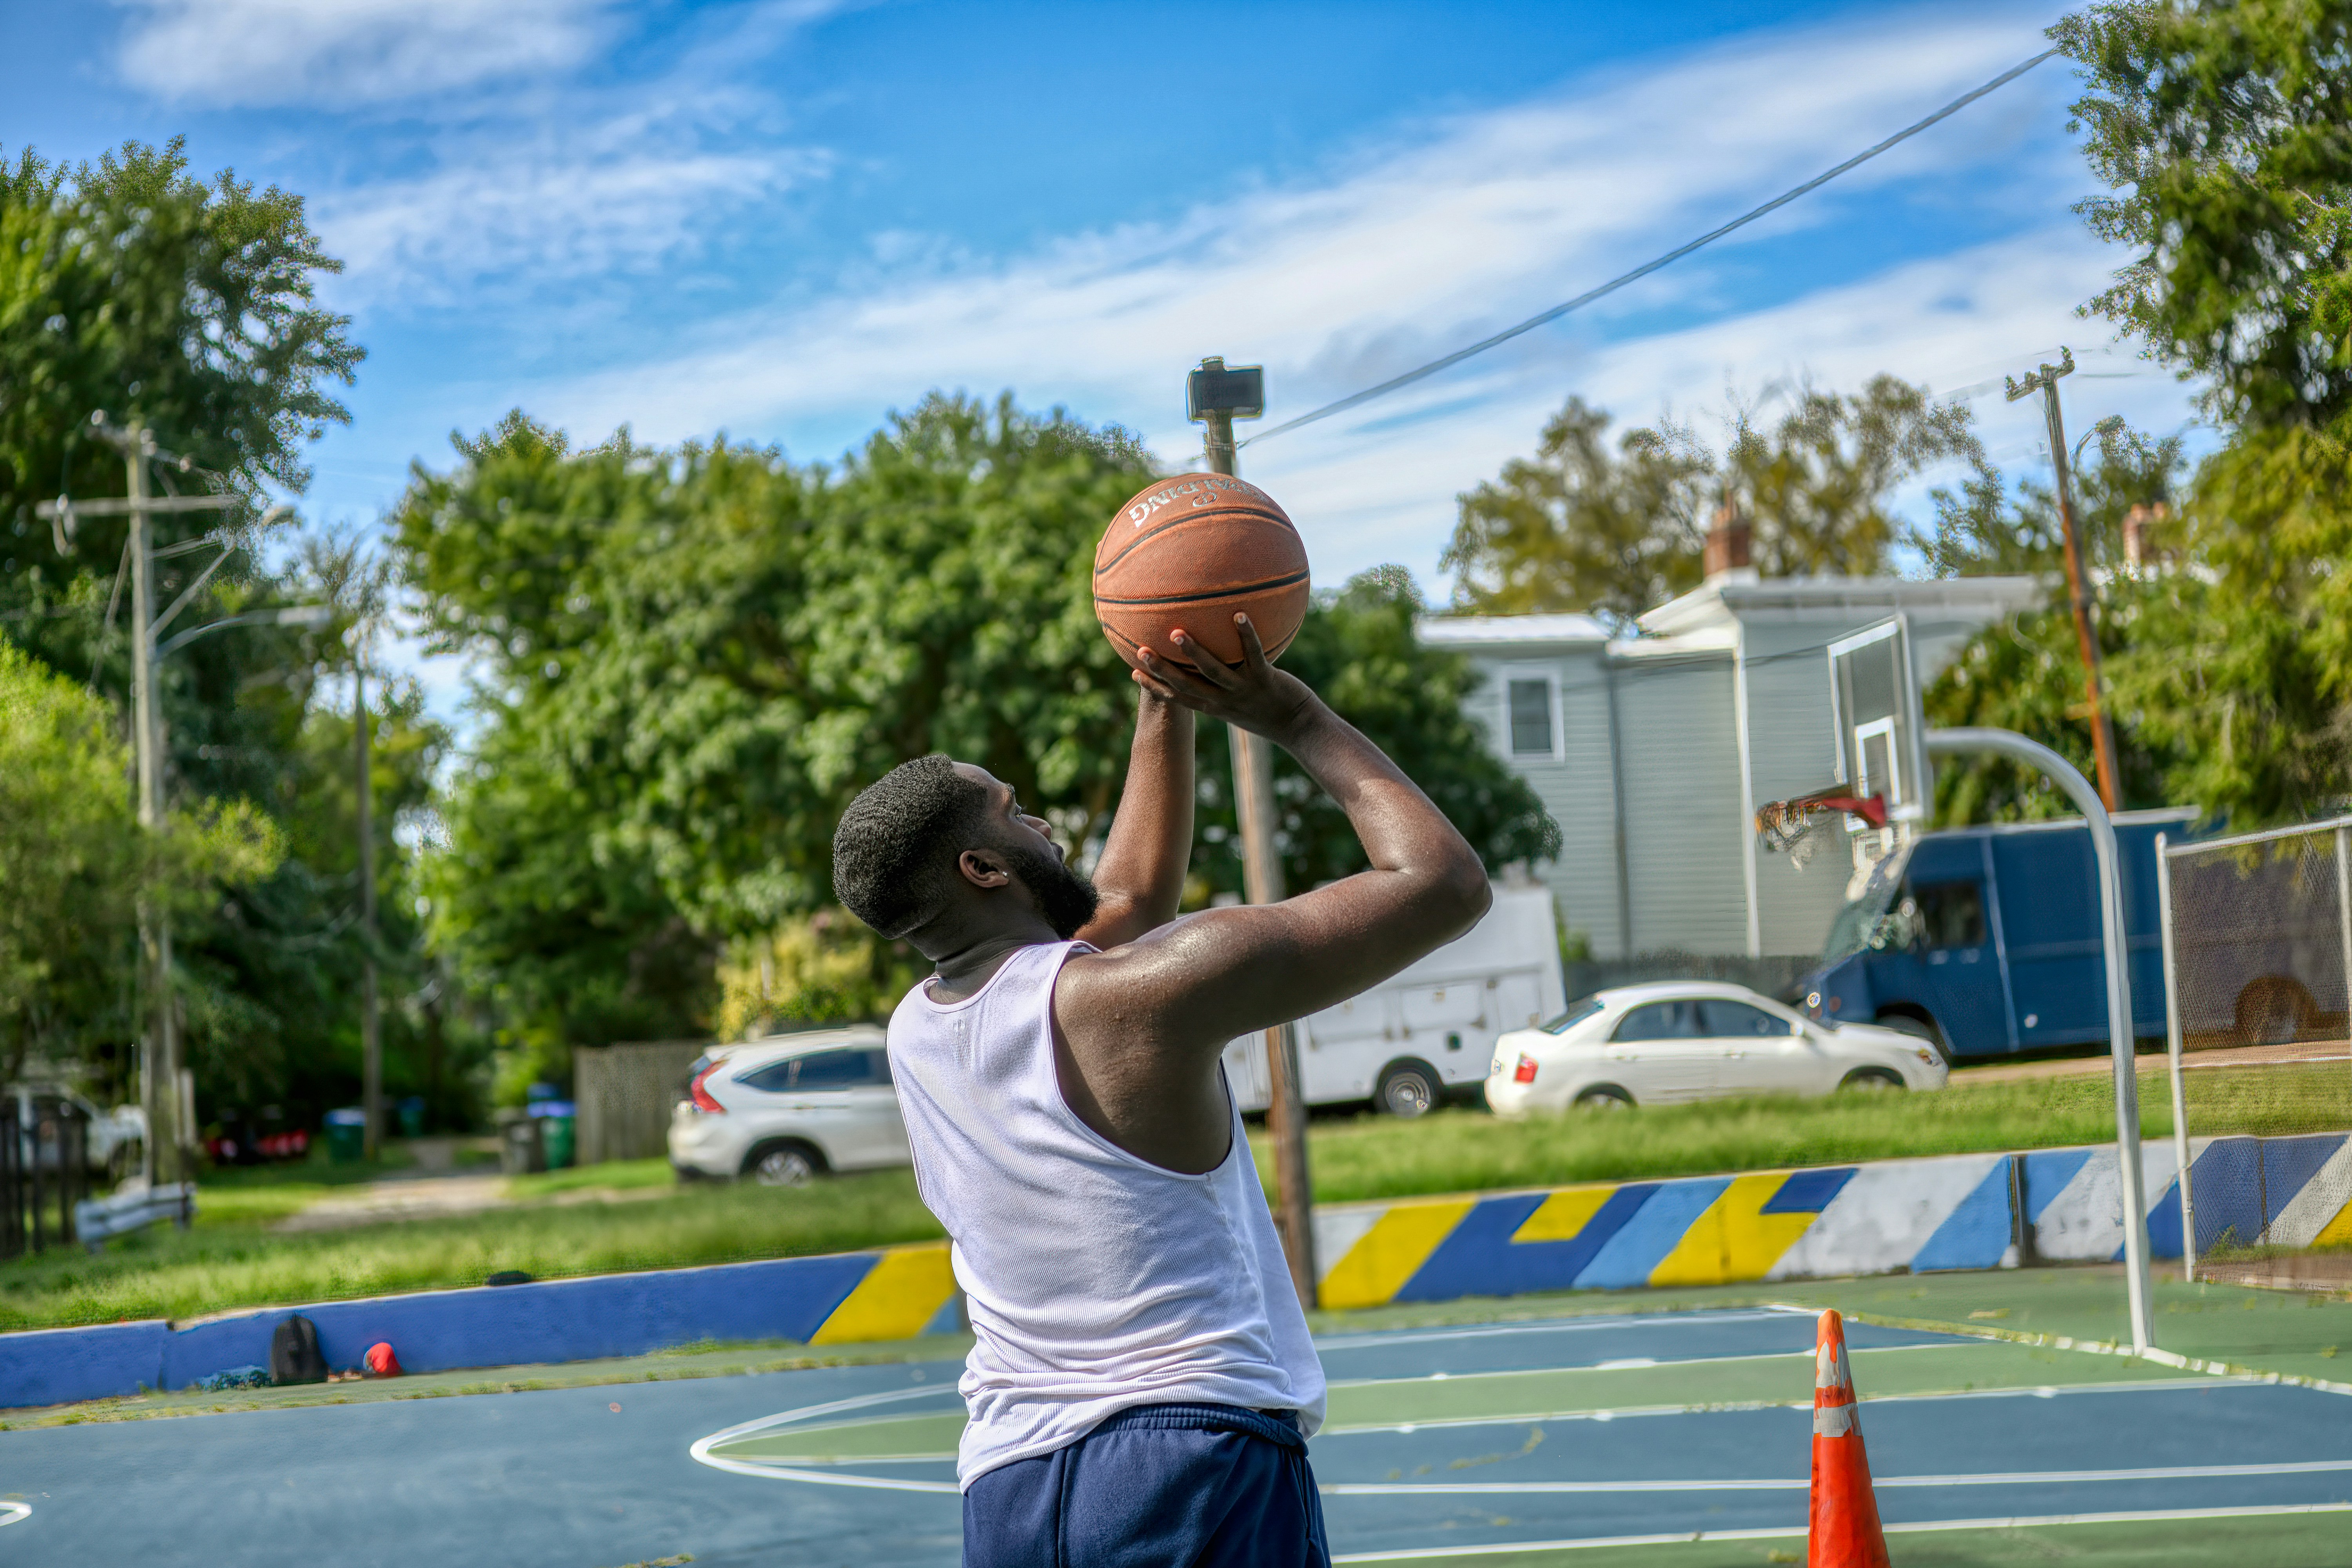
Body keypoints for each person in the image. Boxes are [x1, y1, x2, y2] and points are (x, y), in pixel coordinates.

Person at [831, 614, 1491, 1567]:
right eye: (1016, 812)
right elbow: (1444, 882)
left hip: (1010, 1483)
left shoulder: (918, 1030)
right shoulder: (1139, 997)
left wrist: (1162, 701)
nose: (1044, 822)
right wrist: (1292, 715)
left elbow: (1128, 903)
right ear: (983, 867)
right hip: (1189, 1452)